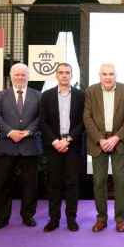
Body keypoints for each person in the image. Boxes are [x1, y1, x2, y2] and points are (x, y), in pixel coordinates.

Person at [0, 63, 42, 230]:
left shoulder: (38, 96)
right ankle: (2, 218)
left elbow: (42, 118)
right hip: (6, 146)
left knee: (30, 185)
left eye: (23, 75)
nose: (20, 78)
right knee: (2, 184)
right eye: (17, 75)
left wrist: (29, 131)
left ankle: (28, 216)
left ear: (28, 76)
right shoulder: (0, 96)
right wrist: (10, 131)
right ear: (11, 76)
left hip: (30, 146)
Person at [83, 63, 124, 233]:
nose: (108, 77)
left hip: (119, 141)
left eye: (111, 74)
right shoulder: (91, 91)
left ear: (115, 75)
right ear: (99, 75)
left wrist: (116, 137)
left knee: (120, 181)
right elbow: (87, 117)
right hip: (98, 143)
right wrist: (99, 139)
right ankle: (101, 218)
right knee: (99, 182)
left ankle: (120, 220)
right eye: (104, 74)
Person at [39, 63, 85, 232]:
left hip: (72, 145)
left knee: (72, 183)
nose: (64, 75)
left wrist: (68, 140)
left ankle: (71, 219)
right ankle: (54, 219)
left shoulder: (81, 96)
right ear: (56, 75)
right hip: (53, 146)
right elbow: (42, 122)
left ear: (71, 75)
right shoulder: (46, 96)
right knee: (54, 184)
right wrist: (55, 141)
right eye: (61, 72)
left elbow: (83, 122)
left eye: (67, 73)